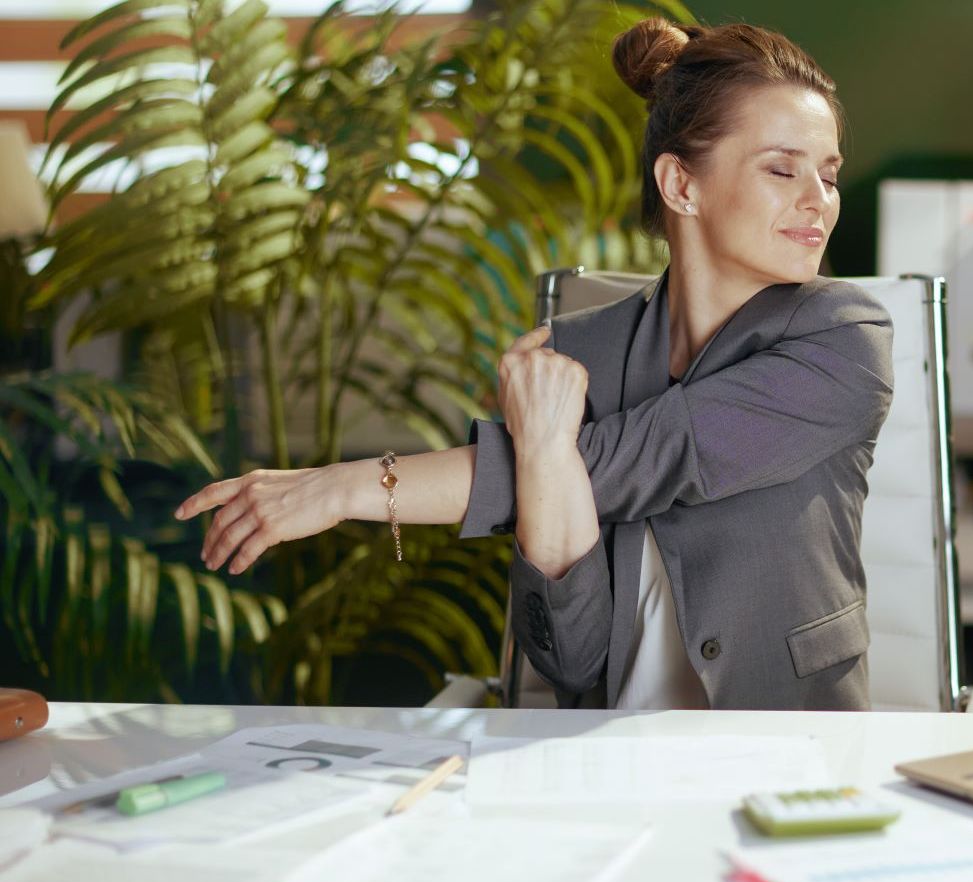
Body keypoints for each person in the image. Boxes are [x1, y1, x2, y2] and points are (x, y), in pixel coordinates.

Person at [174, 18, 893, 711]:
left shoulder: (844, 340)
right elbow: (571, 660)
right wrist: (541, 458)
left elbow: (641, 455)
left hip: (791, 760)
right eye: (782, 169)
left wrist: (344, 487)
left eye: (827, 174)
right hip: (610, 762)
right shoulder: (577, 356)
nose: (819, 202)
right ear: (680, 185)